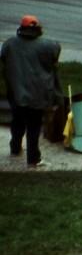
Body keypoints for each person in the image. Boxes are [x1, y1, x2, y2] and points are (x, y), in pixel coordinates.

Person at [1, 15, 62, 168]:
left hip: (16, 91)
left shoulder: (9, 44)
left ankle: (15, 148)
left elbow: (3, 58)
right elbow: (55, 57)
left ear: (21, 28)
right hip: (37, 93)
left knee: (17, 121)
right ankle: (33, 159)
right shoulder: (48, 46)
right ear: (38, 29)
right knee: (34, 126)